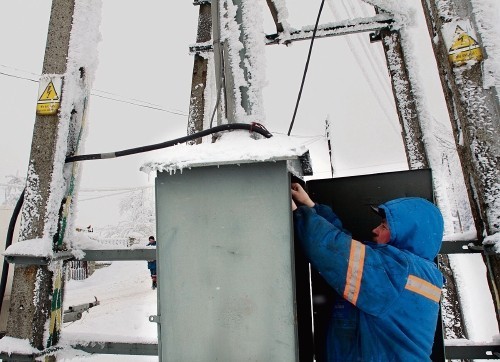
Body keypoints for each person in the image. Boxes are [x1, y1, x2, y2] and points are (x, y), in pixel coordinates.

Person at [291, 183, 444, 361]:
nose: (375, 230)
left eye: (384, 227)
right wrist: (311, 206)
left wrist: (298, 214)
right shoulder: (414, 271)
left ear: (407, 234)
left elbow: (335, 252)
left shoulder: (398, 272)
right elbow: (350, 249)